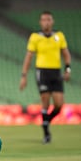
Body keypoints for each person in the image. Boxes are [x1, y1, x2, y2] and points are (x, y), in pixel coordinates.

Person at [20, 11, 71, 144]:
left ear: (52, 21)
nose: (46, 22)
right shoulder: (35, 37)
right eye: (43, 20)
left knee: (59, 105)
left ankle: (46, 120)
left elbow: (66, 53)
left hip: (56, 72)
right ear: (40, 22)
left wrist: (68, 68)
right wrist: (24, 75)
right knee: (45, 101)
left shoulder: (59, 36)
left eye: (48, 19)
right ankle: (46, 133)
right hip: (42, 72)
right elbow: (29, 56)